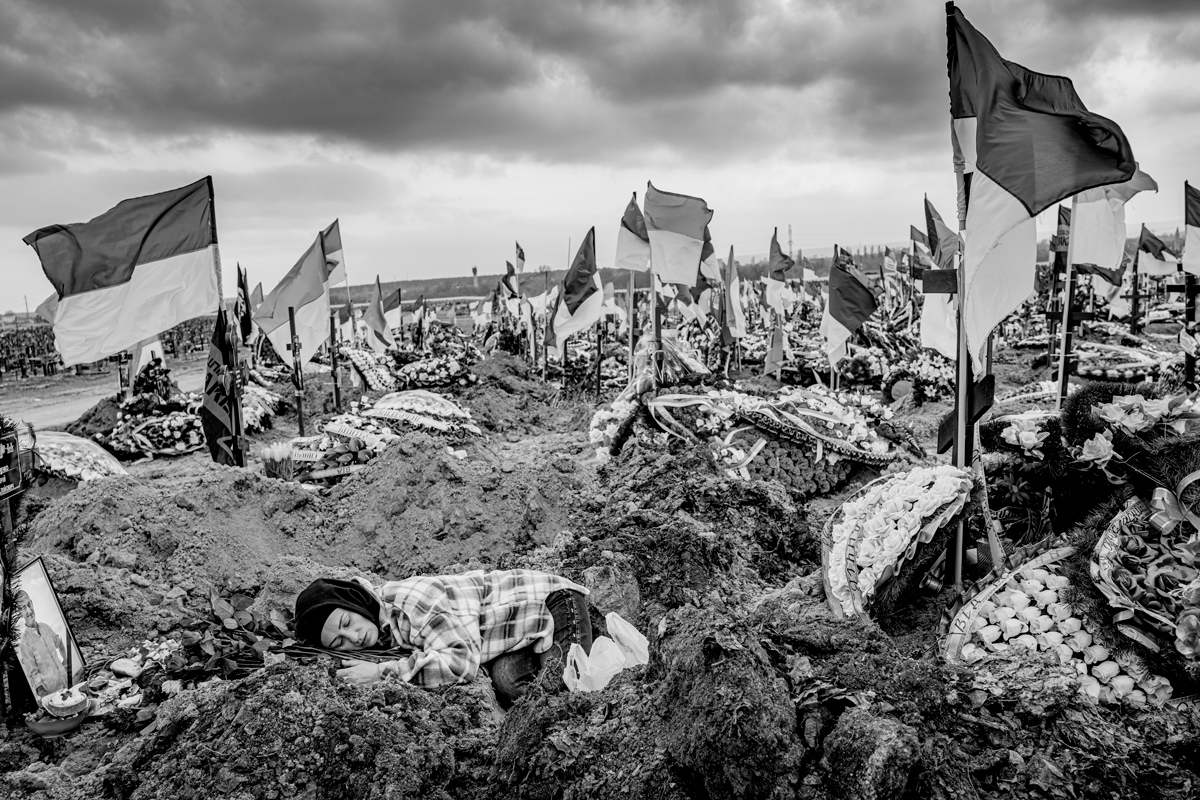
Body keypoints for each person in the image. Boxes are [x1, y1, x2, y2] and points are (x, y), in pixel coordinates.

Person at [294, 569, 593, 706]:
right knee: (510, 686)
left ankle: (595, 645)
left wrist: (380, 673)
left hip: (553, 602)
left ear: (356, 602)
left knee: (571, 692)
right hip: (516, 633)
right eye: (339, 642)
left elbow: (460, 664)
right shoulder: (384, 628)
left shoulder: (412, 601)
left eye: (346, 622)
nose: (354, 637)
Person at [14, 591, 69, 697]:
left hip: (67, 682)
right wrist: (46, 697)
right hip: (53, 693)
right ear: (19, 612)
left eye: (29, 605)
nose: (29, 610)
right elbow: (33, 675)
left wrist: (66, 660)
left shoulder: (45, 627)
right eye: (23, 608)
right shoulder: (25, 643)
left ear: (32, 603)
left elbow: (59, 641)